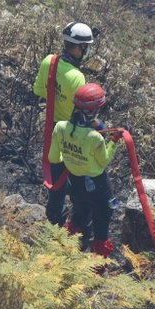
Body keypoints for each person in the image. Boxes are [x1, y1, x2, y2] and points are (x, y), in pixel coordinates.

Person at [33, 22, 98, 227]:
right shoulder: (77, 77)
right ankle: (77, 226)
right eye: (86, 47)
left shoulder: (49, 61)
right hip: (70, 133)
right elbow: (80, 109)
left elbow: (39, 90)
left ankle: (54, 219)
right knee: (80, 183)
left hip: (52, 131)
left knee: (56, 181)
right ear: (79, 48)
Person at [48, 83, 122, 257]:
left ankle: (67, 253)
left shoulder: (60, 128)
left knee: (79, 215)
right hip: (98, 185)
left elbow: (53, 158)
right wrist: (113, 141)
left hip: (75, 182)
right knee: (102, 225)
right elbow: (103, 161)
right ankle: (96, 269)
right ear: (94, 110)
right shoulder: (94, 137)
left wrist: (73, 158)